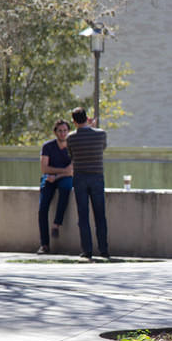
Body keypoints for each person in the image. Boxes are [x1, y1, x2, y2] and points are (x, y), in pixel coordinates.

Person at [67, 107, 109, 260]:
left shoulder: (71, 138)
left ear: (73, 121)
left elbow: (70, 155)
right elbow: (102, 148)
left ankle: (87, 250)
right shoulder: (101, 134)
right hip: (97, 177)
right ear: (87, 118)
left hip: (80, 178)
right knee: (100, 215)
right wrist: (92, 127)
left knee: (83, 215)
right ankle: (103, 249)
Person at [37, 119, 74, 254]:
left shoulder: (73, 146)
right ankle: (44, 244)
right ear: (55, 132)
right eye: (60, 131)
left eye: (65, 130)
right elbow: (44, 168)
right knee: (42, 208)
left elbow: (72, 170)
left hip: (62, 179)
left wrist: (57, 175)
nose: (63, 133)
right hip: (49, 179)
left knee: (66, 188)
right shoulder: (48, 146)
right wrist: (62, 171)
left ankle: (56, 224)